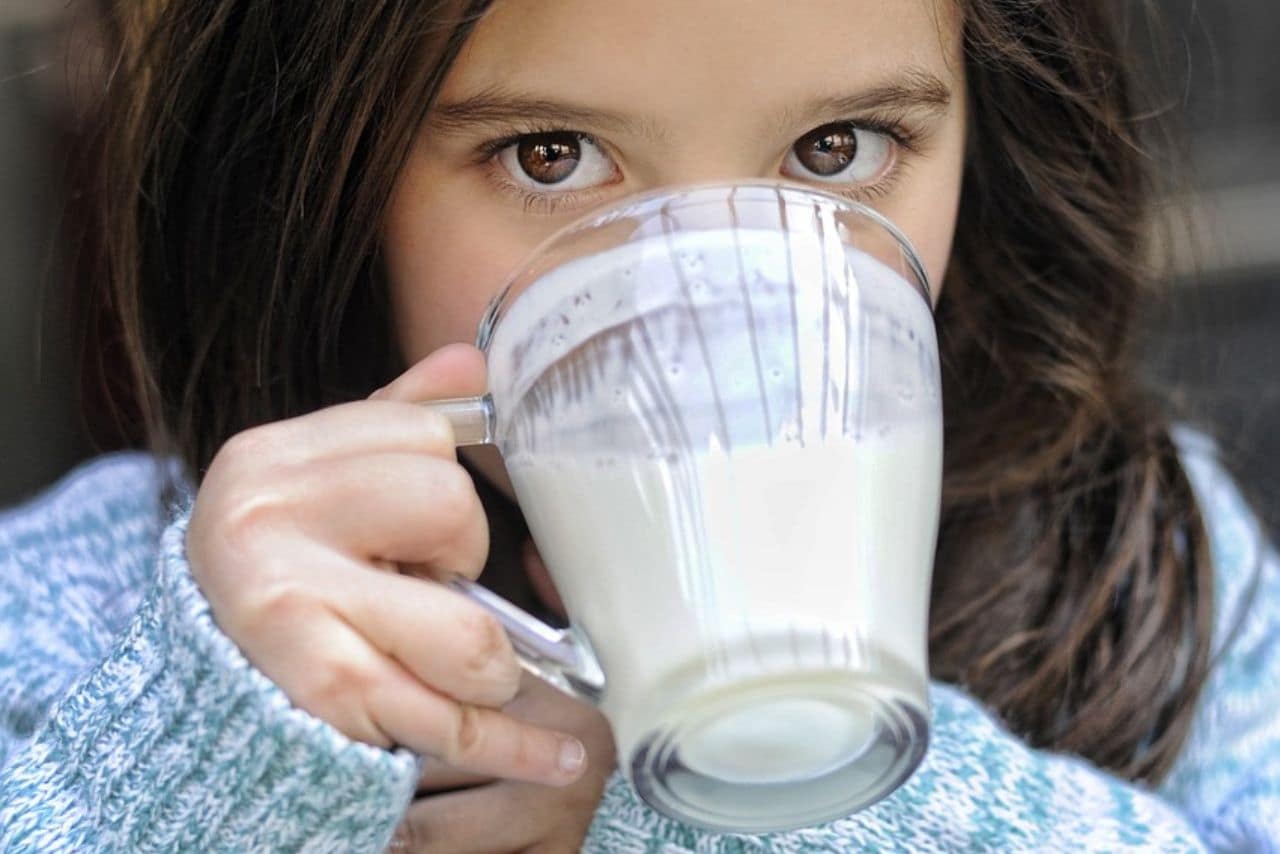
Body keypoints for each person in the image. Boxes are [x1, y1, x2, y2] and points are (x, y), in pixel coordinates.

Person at [1, 0, 1277, 850]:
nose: (706, 320)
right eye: (551, 156)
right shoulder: (98, 616)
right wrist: (198, 771)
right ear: (334, 175)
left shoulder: (1149, 569)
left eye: (835, 148)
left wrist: (793, 799)